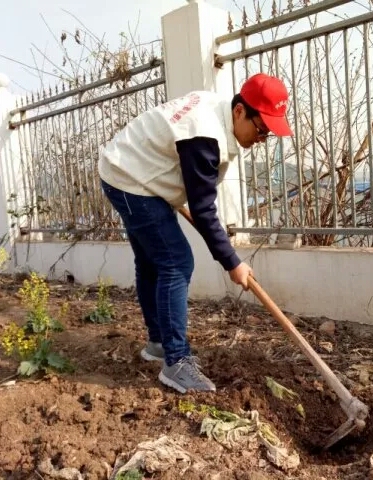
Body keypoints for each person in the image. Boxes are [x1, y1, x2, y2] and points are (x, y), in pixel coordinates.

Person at [98, 73, 294, 393]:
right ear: (240, 111)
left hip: (131, 169)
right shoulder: (205, 135)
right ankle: (176, 361)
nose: (262, 138)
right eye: (261, 129)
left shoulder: (216, 110)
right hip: (129, 179)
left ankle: (159, 344)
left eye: (268, 134)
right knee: (176, 262)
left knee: (152, 262)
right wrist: (232, 262)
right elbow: (203, 210)